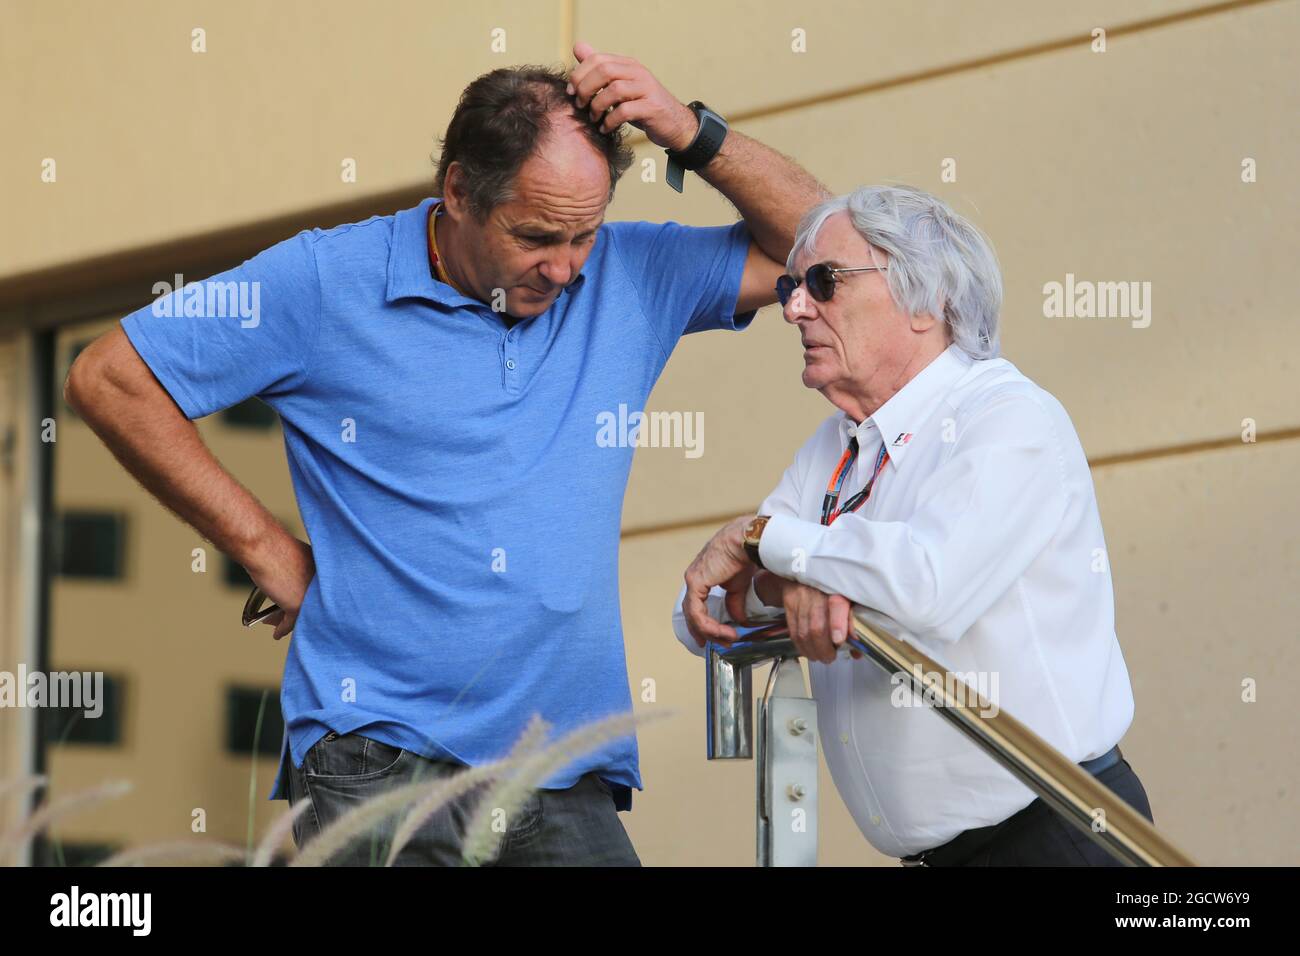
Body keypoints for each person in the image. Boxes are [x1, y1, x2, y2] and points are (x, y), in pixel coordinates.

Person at [64, 41, 829, 865]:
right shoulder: (327, 281)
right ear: (459, 191)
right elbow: (111, 377)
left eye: (585, 235)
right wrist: (262, 547)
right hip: (381, 760)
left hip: (567, 764)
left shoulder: (631, 270)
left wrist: (691, 133)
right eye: (537, 236)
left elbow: (828, 250)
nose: (568, 268)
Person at [674, 184, 1154, 866]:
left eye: (822, 281)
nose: (793, 307)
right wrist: (787, 586)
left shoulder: (1009, 418)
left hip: (1059, 835)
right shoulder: (835, 444)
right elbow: (695, 614)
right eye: (789, 284)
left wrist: (763, 543)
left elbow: (925, 587)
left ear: (927, 301)